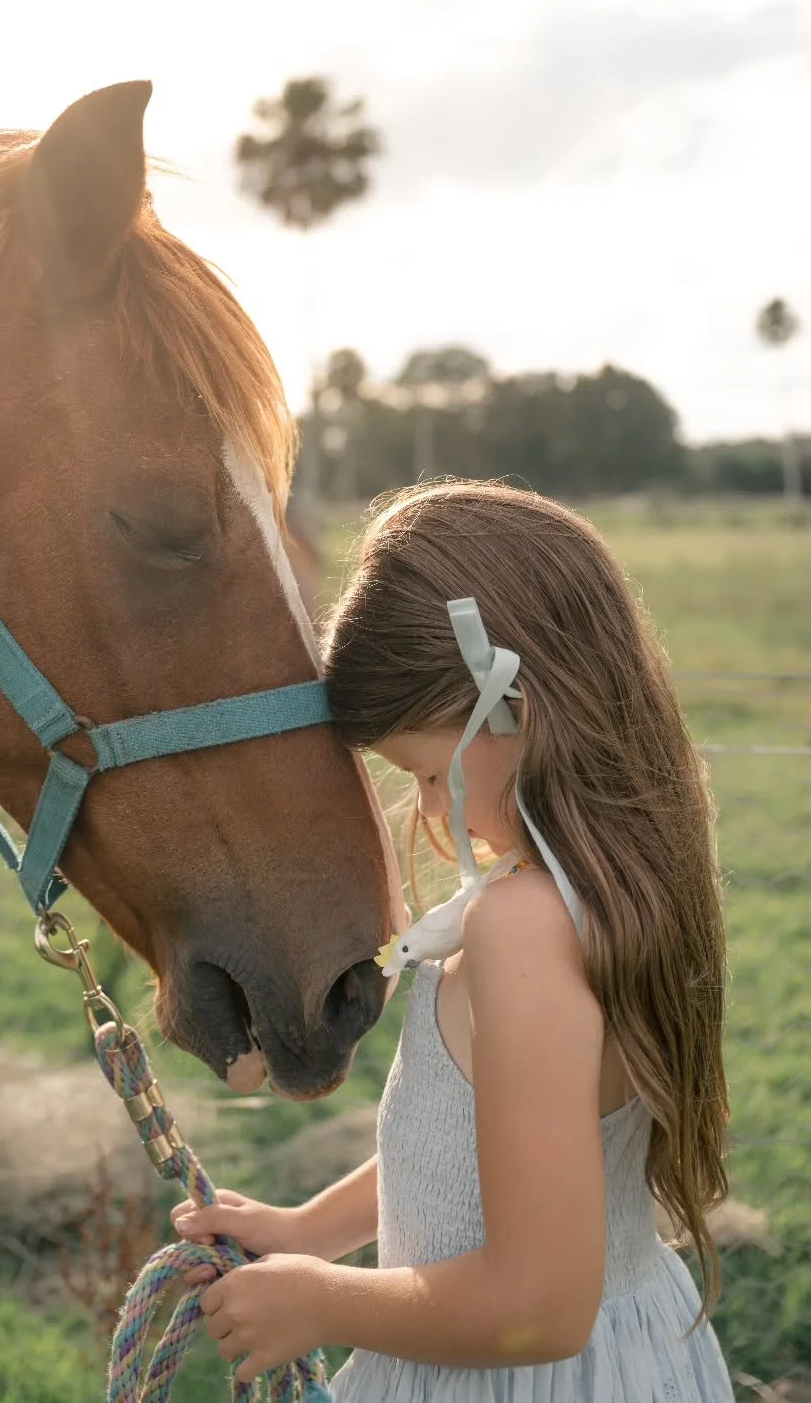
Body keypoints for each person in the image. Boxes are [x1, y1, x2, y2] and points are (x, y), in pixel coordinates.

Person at [173, 481, 734, 1400]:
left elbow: (542, 1305)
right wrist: (310, 1227)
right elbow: (479, 1155)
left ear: (513, 707)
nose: (434, 812)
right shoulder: (613, 891)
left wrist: (324, 1302)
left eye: (428, 775)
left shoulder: (520, 931)